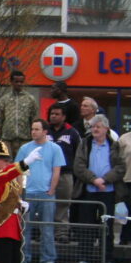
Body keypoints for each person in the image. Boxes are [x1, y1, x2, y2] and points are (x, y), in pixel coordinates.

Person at [73, 114, 124, 263]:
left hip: (108, 192)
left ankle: (107, 261)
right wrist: (94, 180)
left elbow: (120, 167)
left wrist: (105, 179)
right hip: (88, 191)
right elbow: (78, 166)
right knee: (86, 227)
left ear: (106, 129)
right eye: (93, 126)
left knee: (107, 228)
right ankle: (84, 260)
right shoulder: (85, 143)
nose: (95, 129)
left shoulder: (114, 145)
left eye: (98, 126)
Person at [15, 119, 64, 263]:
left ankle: (48, 259)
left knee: (47, 228)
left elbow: (56, 170)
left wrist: (52, 189)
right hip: (28, 194)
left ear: (45, 132)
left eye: (37, 129)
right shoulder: (24, 148)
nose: (33, 132)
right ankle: (24, 258)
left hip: (46, 194)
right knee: (25, 228)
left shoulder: (55, 148)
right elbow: (18, 170)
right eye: (32, 129)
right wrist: (20, 192)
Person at [46, 103, 83, 241]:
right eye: (52, 114)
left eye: (57, 114)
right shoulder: (45, 131)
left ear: (64, 117)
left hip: (65, 173)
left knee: (63, 203)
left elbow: (79, 153)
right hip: (47, 173)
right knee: (46, 204)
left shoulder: (72, 132)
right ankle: (46, 232)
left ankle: (62, 233)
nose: (53, 116)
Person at [0, 69, 37, 155]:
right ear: (11, 82)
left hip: (25, 140)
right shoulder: (4, 99)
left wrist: (34, 137)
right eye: (16, 81)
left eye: (21, 82)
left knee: (23, 162)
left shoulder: (30, 99)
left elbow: (34, 119)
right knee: (7, 162)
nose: (19, 84)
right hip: (7, 140)